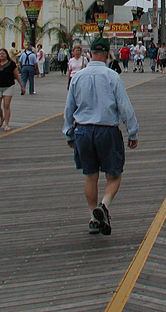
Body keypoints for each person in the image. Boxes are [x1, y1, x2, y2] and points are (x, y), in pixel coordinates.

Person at [63, 37, 139, 236]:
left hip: (83, 130)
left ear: (90, 54)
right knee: (114, 175)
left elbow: (69, 108)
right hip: (106, 129)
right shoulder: (112, 76)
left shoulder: (78, 77)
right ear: (107, 54)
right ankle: (104, 206)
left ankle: (92, 217)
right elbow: (124, 107)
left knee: (90, 176)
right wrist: (133, 131)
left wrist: (69, 132)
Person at [0, 48, 25, 130]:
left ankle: (7, 124)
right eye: (0, 54)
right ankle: (2, 117)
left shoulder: (11, 64)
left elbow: (16, 75)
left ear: (6, 55)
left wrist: (22, 86)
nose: (1, 55)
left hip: (8, 86)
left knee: (6, 105)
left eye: (3, 54)